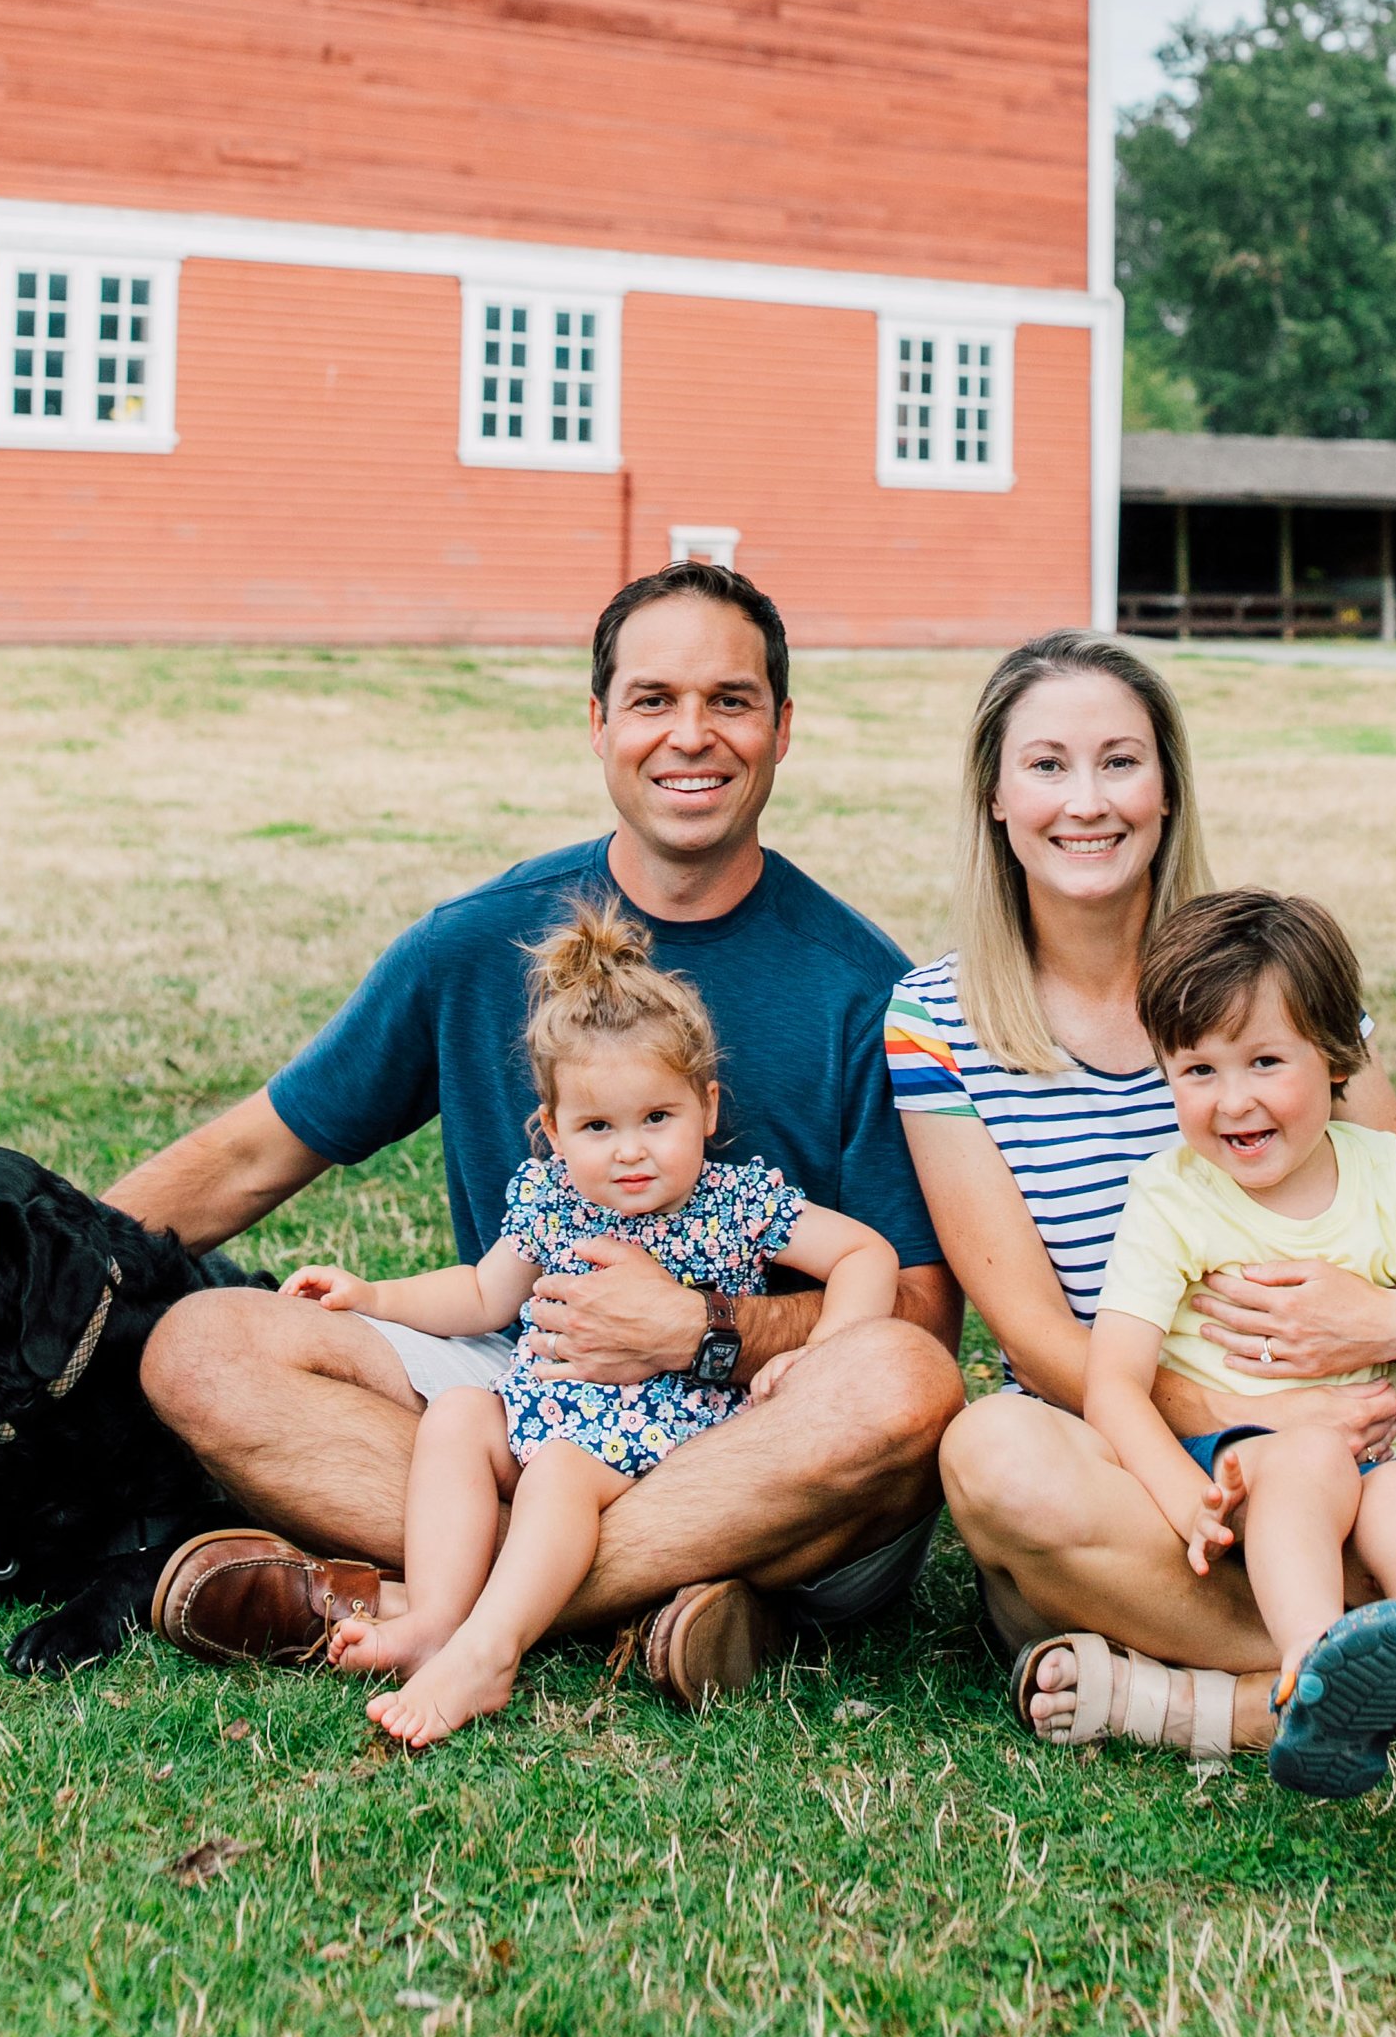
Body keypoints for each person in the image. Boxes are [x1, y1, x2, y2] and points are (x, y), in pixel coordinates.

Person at [122, 562, 963, 1708]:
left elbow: (913, 1316)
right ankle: (655, 1599)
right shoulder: (473, 947)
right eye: (654, 699)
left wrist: (701, 1331)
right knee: (199, 1348)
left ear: (781, 729)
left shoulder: (861, 992)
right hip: (532, 1375)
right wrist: (41, 1269)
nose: (692, 736)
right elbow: (257, 1153)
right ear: (599, 723)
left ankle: (449, 1609)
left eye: (731, 701)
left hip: (736, 1422)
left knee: (901, 1387)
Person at [893, 631, 1396, 1762]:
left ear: (1168, 788)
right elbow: (1040, 1336)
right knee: (992, 1451)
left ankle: (1244, 1695)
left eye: (1119, 762)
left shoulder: (1280, 979)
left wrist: (1392, 1326)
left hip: (1379, 1483)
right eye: (1046, 765)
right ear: (993, 795)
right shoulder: (933, 1020)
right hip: (1154, 1492)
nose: (1085, 801)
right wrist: (1262, 1434)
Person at [288, 896, 899, 1745]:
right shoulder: (552, 1200)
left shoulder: (739, 1202)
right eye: (597, 1126)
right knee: (464, 1412)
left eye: (658, 1117)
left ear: (708, 1109)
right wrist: (373, 1295)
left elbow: (868, 1255)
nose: (631, 1149)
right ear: (551, 1130)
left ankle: (491, 1651)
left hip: (666, 1427)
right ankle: (433, 1614)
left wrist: (822, 1357)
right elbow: (480, 1297)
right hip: (550, 1406)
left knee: (560, 1476)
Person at [1088, 886, 1396, 1839]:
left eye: (1266, 1061)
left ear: (1334, 1054)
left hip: (1381, 1476)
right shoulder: (1171, 1197)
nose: (1231, 1100)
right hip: (1247, 1472)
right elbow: (1111, 1379)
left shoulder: (1389, 1181)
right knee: (1312, 1460)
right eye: (1196, 1069)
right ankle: (1314, 1679)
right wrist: (1181, 1499)